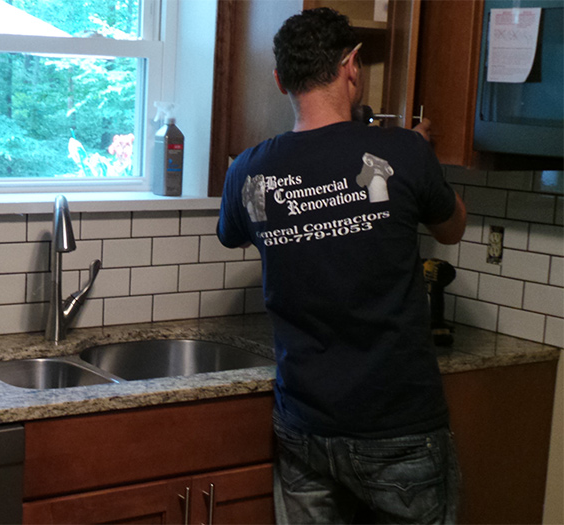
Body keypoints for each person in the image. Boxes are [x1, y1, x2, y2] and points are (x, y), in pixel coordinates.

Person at [216, 7, 467, 524]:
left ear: (280, 80)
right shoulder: (402, 152)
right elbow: (452, 228)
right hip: (398, 428)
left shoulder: (248, 171)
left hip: (304, 427)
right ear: (352, 66)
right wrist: (420, 161)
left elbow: (232, 234)